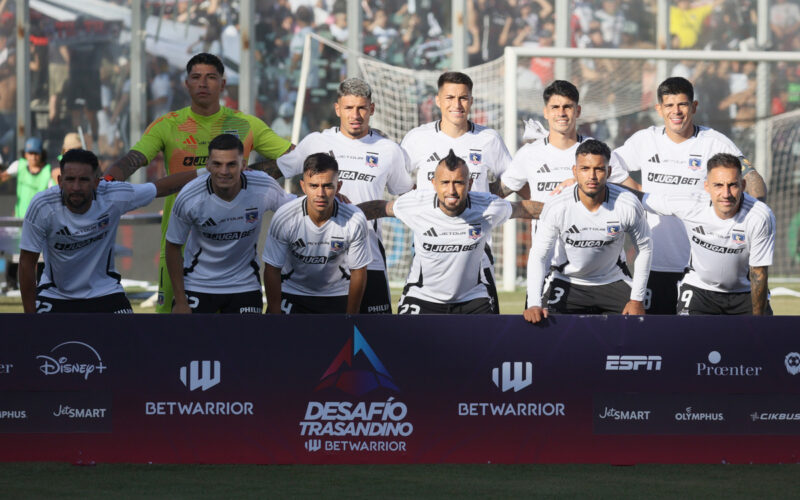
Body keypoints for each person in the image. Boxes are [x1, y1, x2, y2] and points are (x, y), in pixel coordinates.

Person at [103, 53, 293, 313]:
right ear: (186, 84)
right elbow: (134, 159)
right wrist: (107, 181)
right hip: (177, 246)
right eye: (196, 77)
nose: (203, 83)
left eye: (211, 77)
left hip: (234, 259)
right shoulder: (168, 125)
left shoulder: (246, 124)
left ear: (223, 85)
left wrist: (249, 173)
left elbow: (295, 158)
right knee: (174, 336)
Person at [609, 76, 767, 315]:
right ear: (659, 109)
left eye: (683, 104)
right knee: (654, 341)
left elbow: (754, 182)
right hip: (655, 263)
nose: (676, 111)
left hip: (700, 272)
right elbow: (605, 164)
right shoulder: (645, 140)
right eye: (669, 105)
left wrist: (752, 217)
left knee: (699, 344)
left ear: (694, 106)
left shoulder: (713, 142)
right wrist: (634, 188)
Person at [272, 78, 413, 314]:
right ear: (338, 109)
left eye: (361, 108)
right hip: (317, 258)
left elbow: (407, 197)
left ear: (372, 109)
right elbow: (277, 170)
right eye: (348, 108)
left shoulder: (389, 150)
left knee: (374, 340)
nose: (355, 114)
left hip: (369, 259)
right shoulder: (316, 142)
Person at [358, 150, 543, 315]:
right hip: (423, 297)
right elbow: (381, 208)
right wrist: (344, 213)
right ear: (434, 183)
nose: (451, 190)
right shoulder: (415, 204)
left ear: (470, 184)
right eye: (445, 182)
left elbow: (523, 208)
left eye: (459, 183)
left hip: (473, 299)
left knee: (488, 351)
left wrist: (563, 211)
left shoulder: (488, 206)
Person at [18, 149, 195, 313]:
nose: (76, 187)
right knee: (42, 345)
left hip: (106, 292)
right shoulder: (42, 205)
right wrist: (30, 318)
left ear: (96, 182)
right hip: (55, 294)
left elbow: (159, 187)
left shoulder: (112, 195)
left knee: (131, 343)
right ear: (60, 181)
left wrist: (207, 173)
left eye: (84, 180)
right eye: (70, 179)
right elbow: (26, 262)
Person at [401, 71, 511, 312]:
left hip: (475, 248)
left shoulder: (489, 139)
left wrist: (487, 199)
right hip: (430, 246)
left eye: (463, 98)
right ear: (438, 100)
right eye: (450, 97)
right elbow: (398, 183)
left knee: (487, 340)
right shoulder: (417, 138)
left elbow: (512, 179)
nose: (457, 104)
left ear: (471, 101)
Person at [524, 140, 652, 324]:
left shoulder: (628, 204)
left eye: (599, 169)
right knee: (544, 332)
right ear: (575, 171)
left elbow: (645, 249)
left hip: (612, 280)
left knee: (639, 328)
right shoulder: (557, 206)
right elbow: (538, 256)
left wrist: (636, 299)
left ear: (608, 172)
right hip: (567, 281)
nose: (592, 176)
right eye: (585, 169)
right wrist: (534, 303)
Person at [165, 134, 294, 314]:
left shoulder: (263, 187)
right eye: (217, 164)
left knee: (247, 343)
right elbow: (172, 247)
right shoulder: (189, 197)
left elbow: (296, 210)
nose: (224, 171)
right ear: (208, 165)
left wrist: (331, 199)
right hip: (198, 284)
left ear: (243, 165)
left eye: (231, 164)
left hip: (244, 285)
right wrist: (180, 300)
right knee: (192, 342)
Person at [633, 153, 774, 315]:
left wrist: (758, 324)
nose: (726, 194)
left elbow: (759, 273)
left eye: (732, 185)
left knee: (760, 338)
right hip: (699, 290)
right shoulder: (690, 203)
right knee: (690, 339)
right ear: (707, 187)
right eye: (718, 185)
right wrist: (603, 189)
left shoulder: (759, 216)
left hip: (744, 294)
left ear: (743, 184)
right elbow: (642, 199)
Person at [262, 153, 371, 314]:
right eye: (314, 186)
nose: (320, 193)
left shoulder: (354, 219)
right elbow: (272, 269)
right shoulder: (285, 217)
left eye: (327, 186)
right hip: (293, 293)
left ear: (338, 187)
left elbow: (358, 271)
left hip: (337, 294)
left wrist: (351, 317)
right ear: (303, 186)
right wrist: (275, 314)